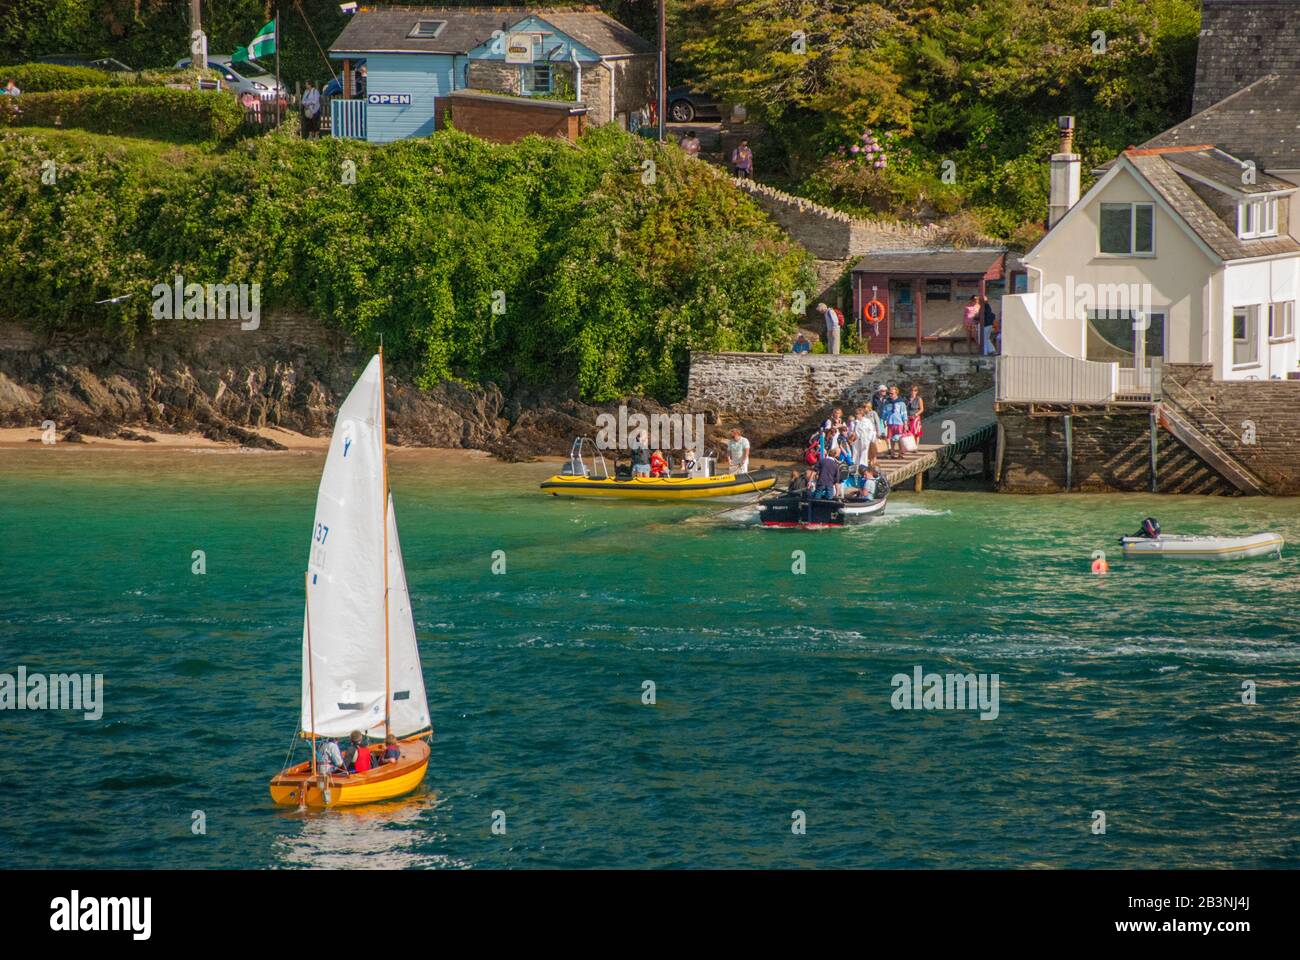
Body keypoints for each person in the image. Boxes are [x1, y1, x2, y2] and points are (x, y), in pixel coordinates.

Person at [883, 385, 909, 459]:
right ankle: (892, 453)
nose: (890, 395)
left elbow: (904, 414)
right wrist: (883, 421)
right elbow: (884, 412)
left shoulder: (901, 403)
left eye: (892, 393)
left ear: (896, 393)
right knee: (891, 439)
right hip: (890, 423)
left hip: (899, 423)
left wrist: (905, 423)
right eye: (889, 393)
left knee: (899, 438)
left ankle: (900, 453)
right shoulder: (887, 402)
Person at [850, 403, 878, 469]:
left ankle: (863, 466)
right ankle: (855, 466)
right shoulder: (854, 422)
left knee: (864, 453)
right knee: (855, 452)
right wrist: (852, 436)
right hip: (856, 440)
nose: (857, 415)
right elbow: (851, 431)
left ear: (862, 414)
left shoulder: (867, 421)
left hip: (865, 439)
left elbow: (872, 430)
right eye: (856, 414)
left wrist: (869, 439)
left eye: (858, 414)